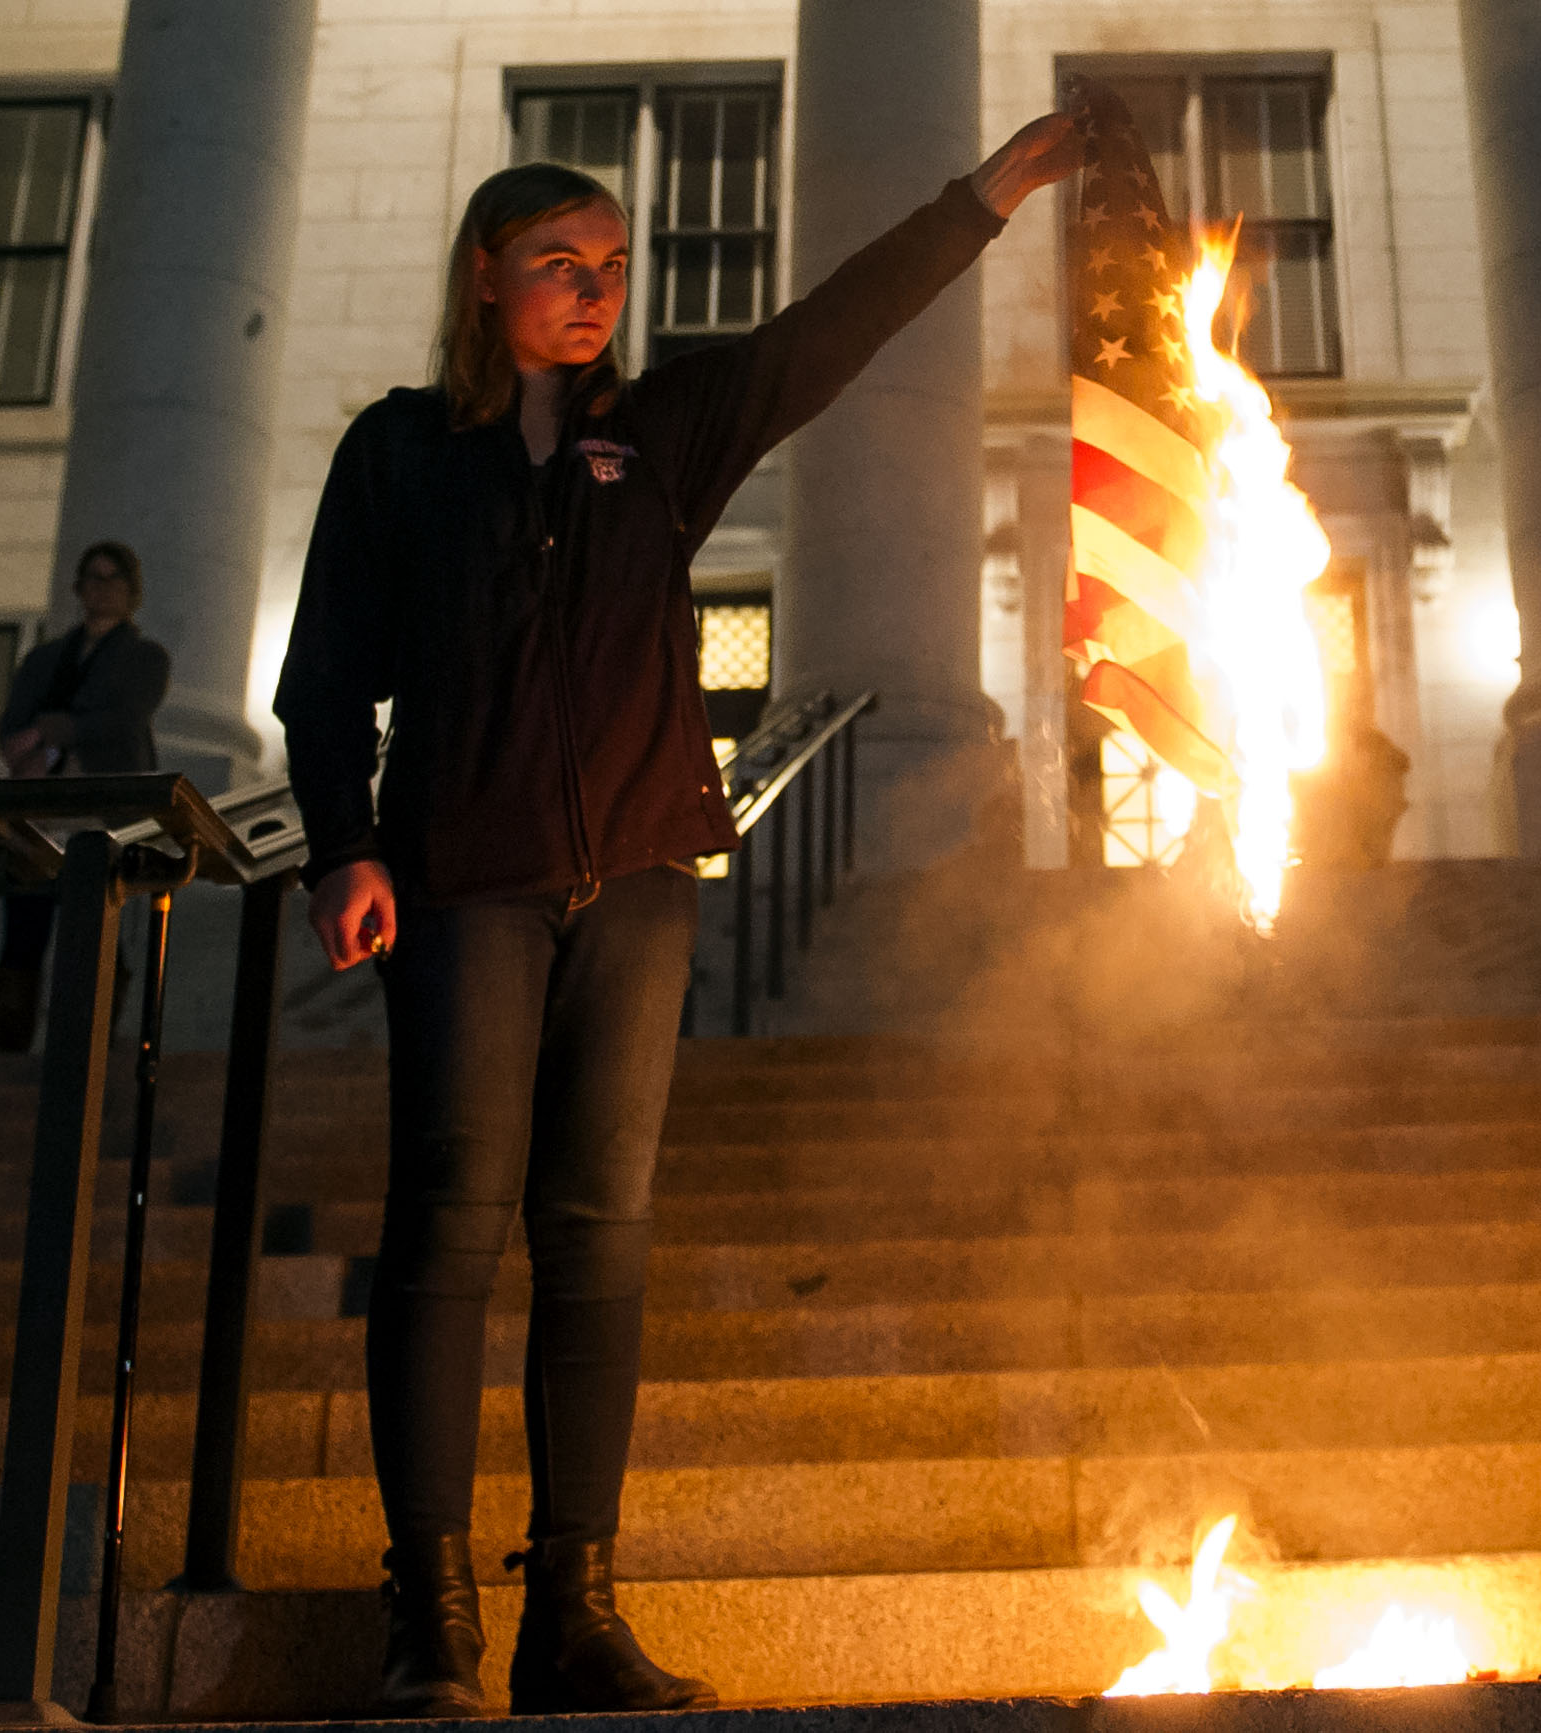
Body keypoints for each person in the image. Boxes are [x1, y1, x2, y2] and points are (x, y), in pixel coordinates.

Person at [274, 114, 1084, 1718]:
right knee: (450, 1224)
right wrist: (342, 848)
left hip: (638, 877)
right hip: (463, 880)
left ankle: (575, 1608)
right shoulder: (398, 454)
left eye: (612, 268)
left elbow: (824, 335)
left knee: (600, 1235)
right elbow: (325, 676)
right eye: (558, 266)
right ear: (486, 282)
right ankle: (427, 1619)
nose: (593, 293)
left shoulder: (664, 430)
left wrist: (984, 197)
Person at [0, 541, 170, 1052]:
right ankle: (9, 1046)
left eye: (113, 579)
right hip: (39, 814)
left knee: (97, 934)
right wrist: (55, 732)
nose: (102, 588)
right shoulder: (45, 659)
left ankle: (88, 1052)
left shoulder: (144, 657)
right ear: (79, 587)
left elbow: (126, 717)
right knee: (22, 933)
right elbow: (13, 730)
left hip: (101, 810)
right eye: (94, 577)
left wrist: (57, 729)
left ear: (130, 591)